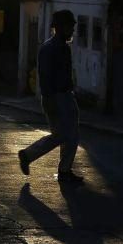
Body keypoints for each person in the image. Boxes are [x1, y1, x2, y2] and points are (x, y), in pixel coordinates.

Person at [18, 10, 83, 184]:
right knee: (66, 134)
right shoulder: (52, 48)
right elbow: (45, 76)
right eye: (70, 26)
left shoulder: (60, 47)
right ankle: (60, 169)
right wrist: (50, 100)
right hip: (57, 97)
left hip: (64, 96)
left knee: (67, 135)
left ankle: (58, 167)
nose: (73, 30)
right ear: (60, 27)